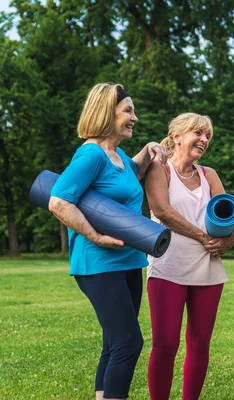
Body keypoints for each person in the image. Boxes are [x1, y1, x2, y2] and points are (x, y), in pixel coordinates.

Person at [48, 83, 168, 400]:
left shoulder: (118, 155)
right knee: (129, 342)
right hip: (98, 262)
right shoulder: (92, 154)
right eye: (128, 111)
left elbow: (133, 173)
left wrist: (149, 150)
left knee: (114, 343)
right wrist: (94, 235)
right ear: (106, 113)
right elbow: (59, 201)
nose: (135, 117)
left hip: (128, 260)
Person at [143, 113, 234, 399]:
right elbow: (162, 210)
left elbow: (231, 214)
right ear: (177, 137)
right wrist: (201, 235)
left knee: (200, 344)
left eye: (208, 135)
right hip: (168, 266)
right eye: (198, 133)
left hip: (208, 269)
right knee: (166, 343)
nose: (204, 140)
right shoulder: (160, 169)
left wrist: (228, 240)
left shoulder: (210, 175)